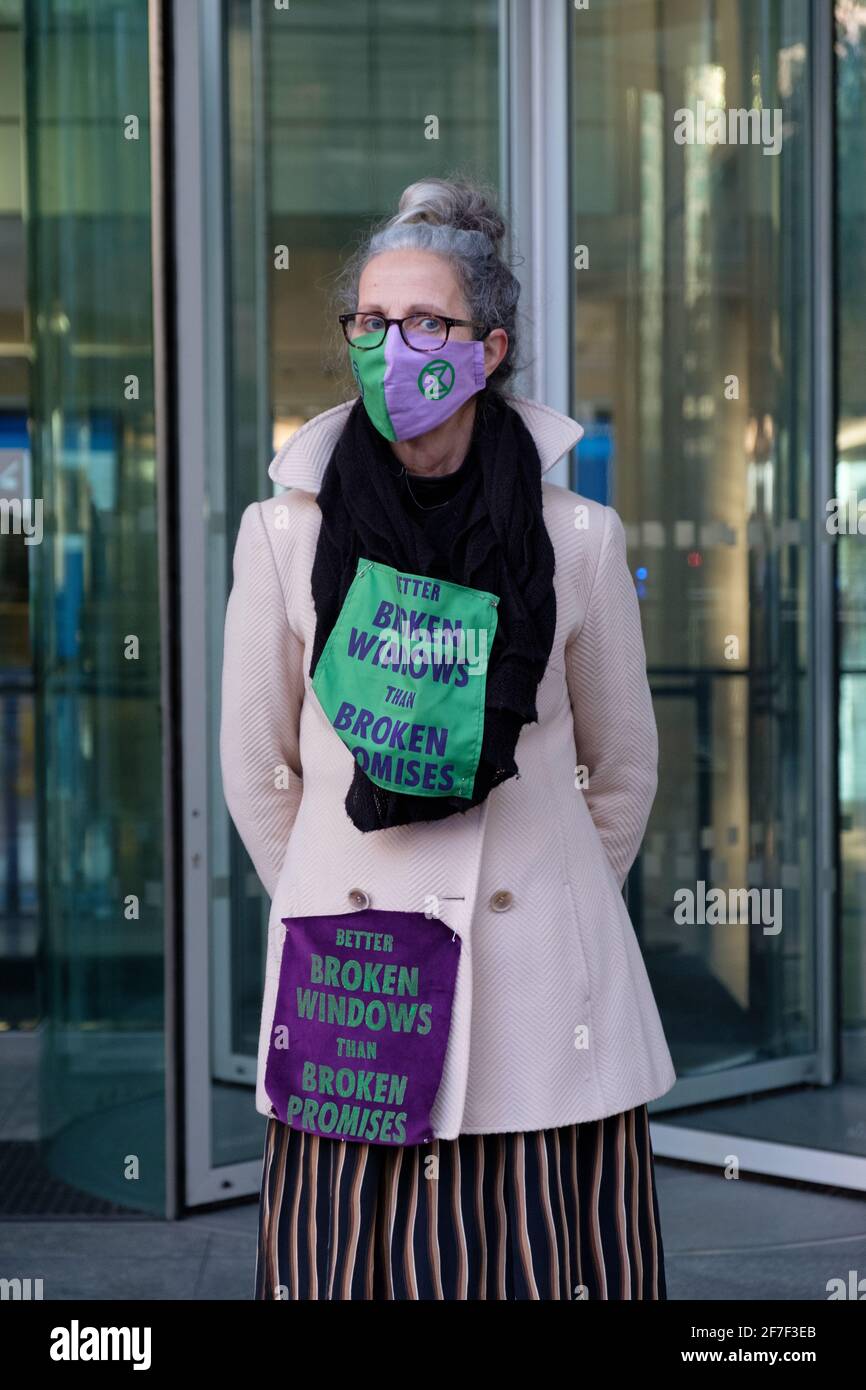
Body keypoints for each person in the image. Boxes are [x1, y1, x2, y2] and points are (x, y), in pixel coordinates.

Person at [220, 175, 677, 1301]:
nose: (391, 348)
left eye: (426, 322)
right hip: (358, 987)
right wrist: (333, 894)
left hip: (539, 1004)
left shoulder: (574, 536)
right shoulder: (286, 531)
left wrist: (552, 898)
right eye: (369, 323)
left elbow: (618, 769)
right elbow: (258, 767)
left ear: (490, 345)